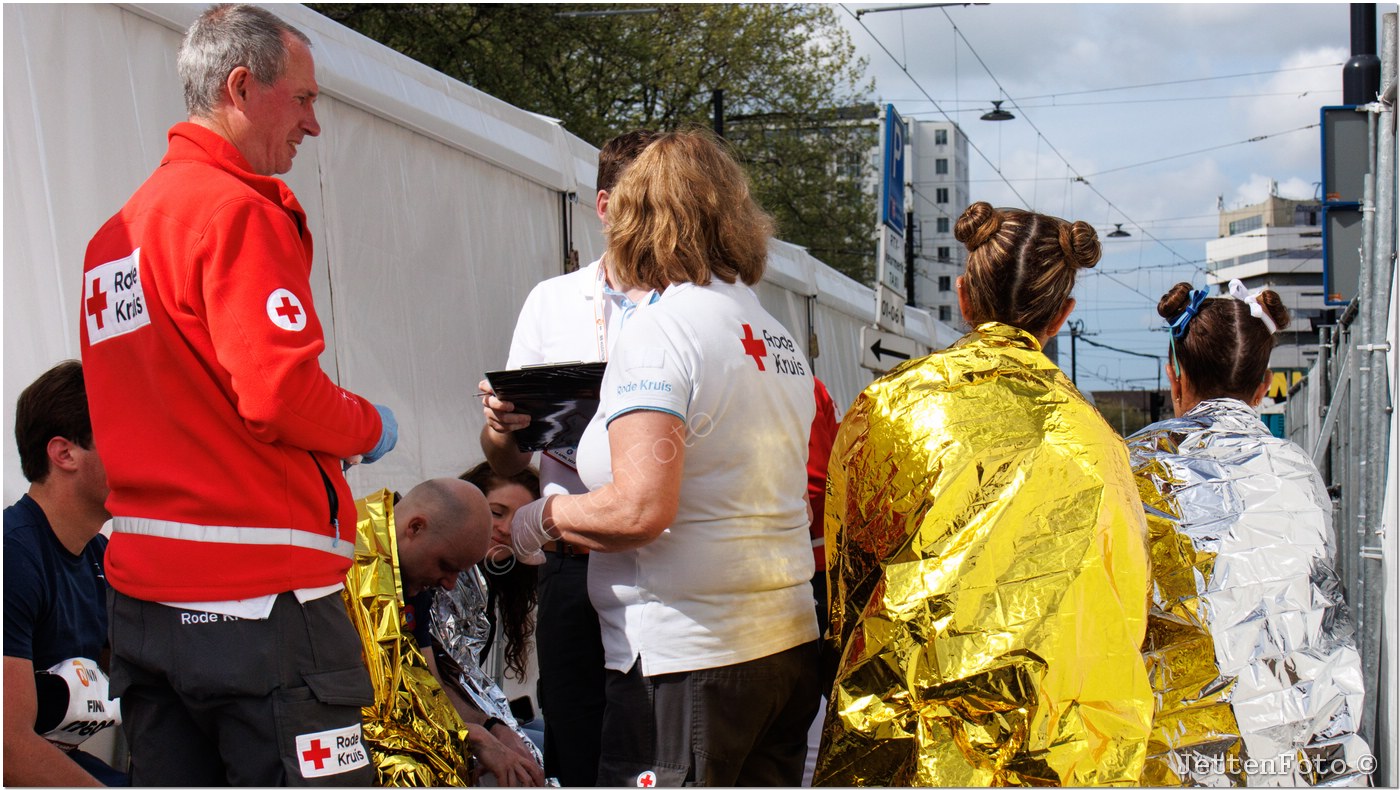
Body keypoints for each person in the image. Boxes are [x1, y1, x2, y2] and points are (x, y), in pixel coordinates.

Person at [78, 5, 396, 785]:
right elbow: (280, 395)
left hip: (148, 608)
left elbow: (171, 405)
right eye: (306, 100)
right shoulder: (235, 213)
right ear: (243, 88)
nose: (313, 126)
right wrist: (367, 427)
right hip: (265, 613)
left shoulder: (112, 242)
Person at [510, 130, 820, 787]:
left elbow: (641, 508)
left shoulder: (662, 329)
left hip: (688, 659)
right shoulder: (773, 332)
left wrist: (539, 520)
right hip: (781, 644)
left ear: (637, 219)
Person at [814, 202, 1153, 786]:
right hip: (1053, 746)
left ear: (965, 296)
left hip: (905, 730)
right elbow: (1126, 606)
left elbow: (847, 574)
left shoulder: (894, 406)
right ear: (1063, 315)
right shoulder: (1098, 442)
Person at [1127, 281, 1374, 786]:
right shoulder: (1298, 472)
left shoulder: (1134, 468)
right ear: (1263, 388)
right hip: (1293, 749)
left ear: (1175, 377)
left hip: (1174, 752)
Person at [478, 129, 658, 787]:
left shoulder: (690, 306)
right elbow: (502, 460)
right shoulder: (552, 301)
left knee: (654, 754)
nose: (660, 220)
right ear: (605, 206)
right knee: (577, 749)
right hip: (570, 561)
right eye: (645, 202)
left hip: (657, 563)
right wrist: (501, 423)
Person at [344, 479, 543, 787]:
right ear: (415, 527)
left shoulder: (410, 574)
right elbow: (373, 708)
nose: (450, 584)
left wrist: (491, 726)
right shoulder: (347, 561)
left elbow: (430, 685)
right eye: (447, 566)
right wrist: (468, 735)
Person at [4, 361, 126, 787]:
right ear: (64, 453)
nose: (140, 457)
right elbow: (9, 751)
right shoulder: (12, 555)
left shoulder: (102, 555)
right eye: (121, 439)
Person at [418, 462, 547, 784]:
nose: (504, 527)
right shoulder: (424, 579)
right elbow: (430, 681)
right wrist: (488, 732)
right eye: (496, 512)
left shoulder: (496, 587)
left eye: (518, 519)